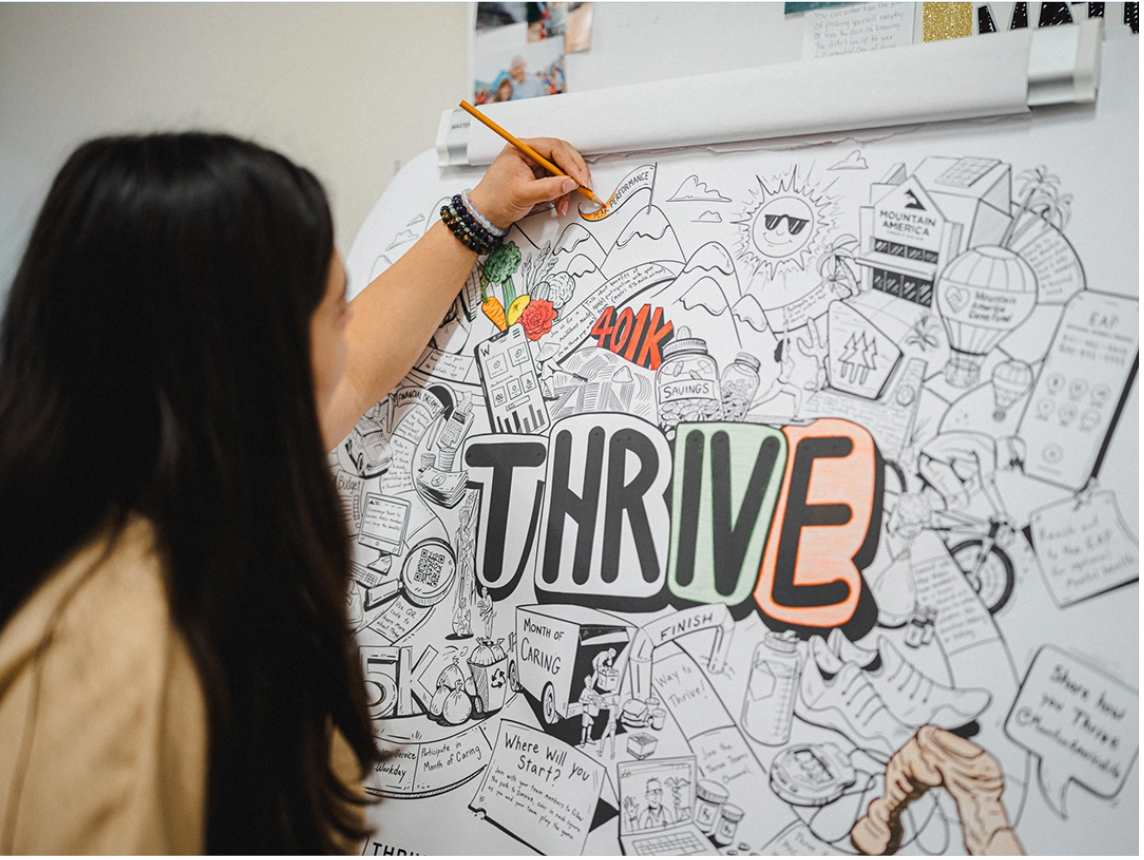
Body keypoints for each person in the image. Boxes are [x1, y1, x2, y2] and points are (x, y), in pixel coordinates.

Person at [0, 131, 591, 853]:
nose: (348, 334)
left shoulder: (141, 474)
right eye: (333, 310)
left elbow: (356, 366)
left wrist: (481, 213)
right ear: (245, 357)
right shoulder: (129, 657)